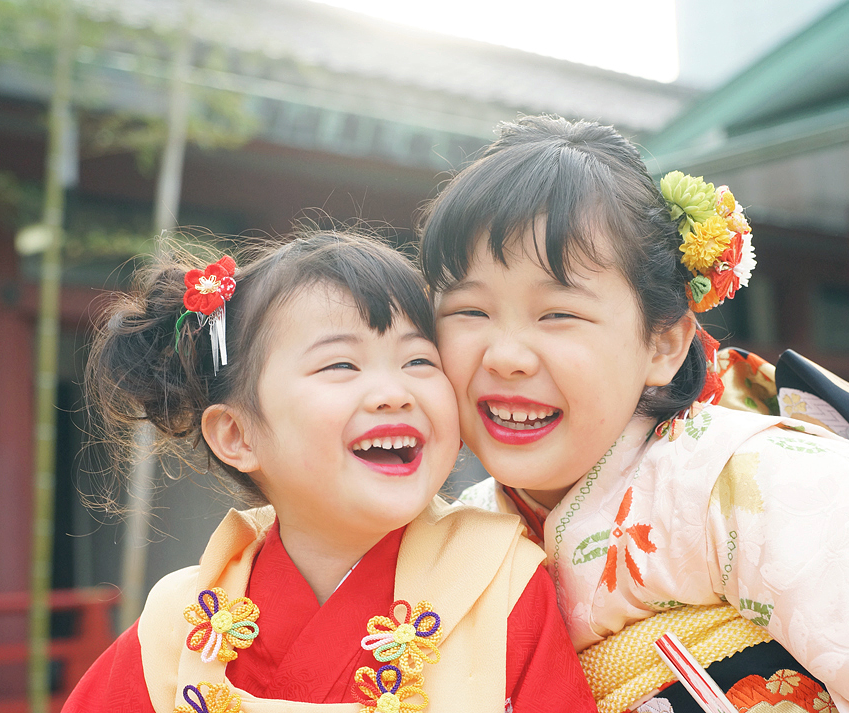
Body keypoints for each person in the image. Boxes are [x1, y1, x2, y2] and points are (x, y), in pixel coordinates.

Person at [420, 115, 849, 713]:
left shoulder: (769, 482)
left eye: (557, 315)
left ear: (664, 344)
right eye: (468, 312)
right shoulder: (452, 534)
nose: (507, 356)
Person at [63, 232, 597, 713]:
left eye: (418, 362)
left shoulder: (500, 583)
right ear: (236, 435)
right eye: (341, 365)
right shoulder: (177, 625)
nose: (395, 393)